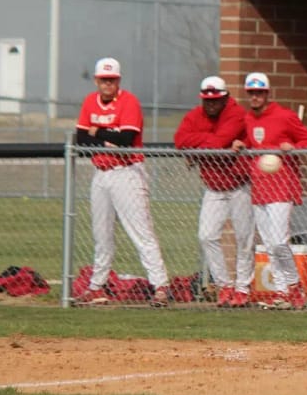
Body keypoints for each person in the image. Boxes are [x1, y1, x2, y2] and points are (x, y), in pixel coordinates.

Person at [73, 57, 170, 307]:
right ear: (96, 80)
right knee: (101, 235)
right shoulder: (88, 102)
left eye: (112, 80)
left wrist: (97, 133)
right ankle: (97, 287)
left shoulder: (129, 101)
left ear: (118, 81)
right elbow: (80, 139)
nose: (107, 84)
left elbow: (126, 139)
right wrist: (106, 139)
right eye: (104, 80)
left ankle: (160, 286)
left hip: (127, 172)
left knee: (141, 232)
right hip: (101, 173)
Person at [232, 72, 307, 310]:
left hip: (282, 187)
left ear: (267, 94)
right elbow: (249, 142)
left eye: (259, 93)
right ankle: (281, 291)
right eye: (252, 93)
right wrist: (240, 145)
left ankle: (294, 286)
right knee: (268, 244)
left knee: (279, 242)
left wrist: (294, 147)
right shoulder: (247, 119)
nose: (255, 97)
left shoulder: (285, 116)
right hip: (259, 188)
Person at [174, 76, 254, 308]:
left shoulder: (236, 113)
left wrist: (197, 148)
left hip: (239, 185)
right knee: (206, 235)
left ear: (225, 97)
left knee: (244, 238)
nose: (211, 104)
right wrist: (209, 145)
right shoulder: (195, 115)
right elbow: (180, 140)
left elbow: (220, 141)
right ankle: (224, 285)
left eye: (216, 100)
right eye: (207, 100)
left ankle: (242, 288)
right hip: (213, 187)